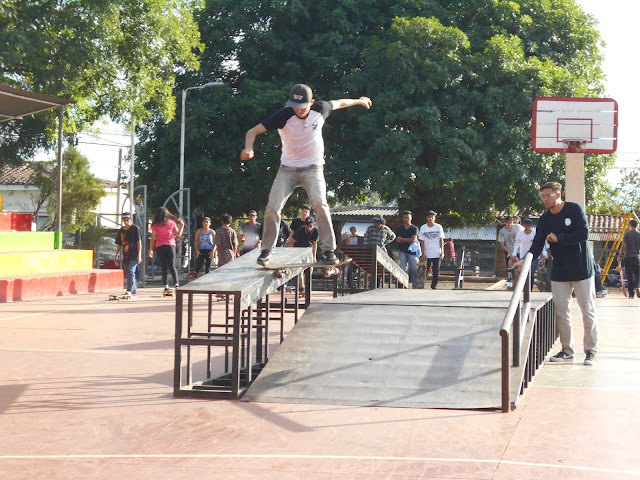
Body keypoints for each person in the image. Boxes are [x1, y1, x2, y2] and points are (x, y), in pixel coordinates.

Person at [241, 83, 372, 266]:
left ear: (312, 102)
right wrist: (249, 148)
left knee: (320, 203)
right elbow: (252, 131)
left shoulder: (321, 109)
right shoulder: (283, 115)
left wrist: (360, 101)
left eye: (302, 107)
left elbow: (340, 103)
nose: (298, 110)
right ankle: (267, 250)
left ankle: (328, 251)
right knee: (272, 206)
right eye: (294, 106)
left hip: (313, 168)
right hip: (287, 169)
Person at [513, 181, 598, 366]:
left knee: (587, 311)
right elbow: (536, 245)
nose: (545, 199)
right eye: (542, 196)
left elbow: (584, 233)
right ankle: (567, 350)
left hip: (582, 269)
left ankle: (591, 351)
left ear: (558, 195)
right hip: (559, 270)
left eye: (548, 195)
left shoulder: (574, 210)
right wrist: (524, 259)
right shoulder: (544, 219)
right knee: (561, 312)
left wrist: (560, 238)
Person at [149, 207, 184, 293]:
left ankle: (166, 286)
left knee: (164, 266)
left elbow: (153, 238)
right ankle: (176, 285)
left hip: (160, 246)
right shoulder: (171, 223)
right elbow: (178, 234)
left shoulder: (155, 225)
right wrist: (182, 225)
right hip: (171, 246)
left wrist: (150, 249)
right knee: (172, 266)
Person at [510, 218, 545, 285]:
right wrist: (514, 253)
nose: (527, 227)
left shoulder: (535, 234)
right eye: (525, 225)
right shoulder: (520, 234)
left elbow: (541, 243)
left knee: (531, 273)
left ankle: (530, 288)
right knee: (523, 272)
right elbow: (516, 243)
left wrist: (544, 253)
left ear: (531, 226)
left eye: (528, 226)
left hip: (534, 256)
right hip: (523, 256)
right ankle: (524, 287)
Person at [115, 212, 142, 298]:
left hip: (134, 254)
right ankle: (134, 292)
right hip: (126, 255)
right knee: (129, 273)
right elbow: (119, 243)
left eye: (127, 220)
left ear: (131, 220)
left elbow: (139, 243)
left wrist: (139, 255)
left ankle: (129, 290)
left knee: (131, 271)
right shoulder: (121, 230)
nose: (126, 222)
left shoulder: (135, 229)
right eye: (124, 220)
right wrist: (117, 254)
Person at [289, 216, 319, 292]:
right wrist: (292, 254)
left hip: (308, 250)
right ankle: (301, 288)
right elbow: (292, 242)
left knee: (310, 269)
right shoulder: (300, 230)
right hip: (299, 250)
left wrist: (314, 256)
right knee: (300, 270)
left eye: (310, 226)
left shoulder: (315, 231)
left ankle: (306, 287)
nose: (309, 228)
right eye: (307, 226)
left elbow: (315, 243)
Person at [419, 210, 445, 290]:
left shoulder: (438, 227)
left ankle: (434, 286)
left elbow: (441, 240)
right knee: (424, 270)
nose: (430, 218)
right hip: (427, 252)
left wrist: (442, 252)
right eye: (429, 217)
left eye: (432, 217)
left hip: (436, 251)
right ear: (426, 218)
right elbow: (422, 241)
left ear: (434, 218)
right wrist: (422, 253)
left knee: (436, 270)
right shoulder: (423, 228)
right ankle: (422, 284)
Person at [394, 210, 419, 289]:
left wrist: (403, 239)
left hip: (412, 252)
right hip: (402, 251)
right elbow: (397, 239)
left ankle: (415, 285)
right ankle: (404, 285)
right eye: (404, 218)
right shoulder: (399, 228)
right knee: (403, 269)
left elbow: (414, 239)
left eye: (407, 218)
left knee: (415, 269)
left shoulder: (414, 228)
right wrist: (408, 239)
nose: (406, 219)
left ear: (411, 218)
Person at [498, 215, 524, 284]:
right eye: (508, 223)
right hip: (509, 250)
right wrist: (510, 253)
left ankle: (520, 283)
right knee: (510, 267)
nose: (510, 224)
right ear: (505, 223)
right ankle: (510, 283)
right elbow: (502, 245)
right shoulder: (502, 231)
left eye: (511, 222)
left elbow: (524, 235)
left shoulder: (518, 227)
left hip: (519, 250)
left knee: (520, 267)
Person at [619, 218, 640, 298]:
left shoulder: (627, 234)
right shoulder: (639, 234)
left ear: (630, 225)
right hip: (637, 257)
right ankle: (637, 286)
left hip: (628, 257)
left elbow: (623, 246)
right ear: (637, 226)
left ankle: (631, 294)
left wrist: (620, 255)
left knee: (629, 275)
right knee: (638, 274)